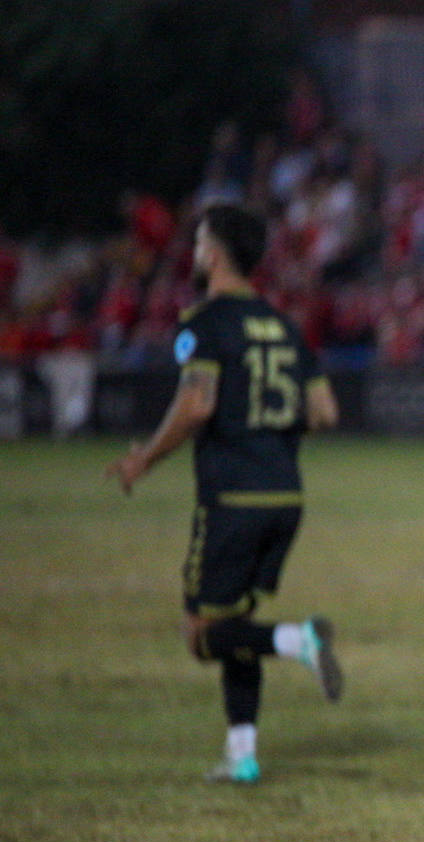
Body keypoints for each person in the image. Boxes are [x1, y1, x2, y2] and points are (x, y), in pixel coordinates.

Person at [107, 203, 342, 784]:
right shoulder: (285, 325)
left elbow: (197, 403)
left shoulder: (205, 324)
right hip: (285, 496)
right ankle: (242, 754)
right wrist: (270, 429)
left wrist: (145, 457)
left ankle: (298, 640)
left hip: (233, 498)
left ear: (212, 253)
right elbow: (325, 412)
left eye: (199, 243)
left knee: (202, 635)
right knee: (235, 622)